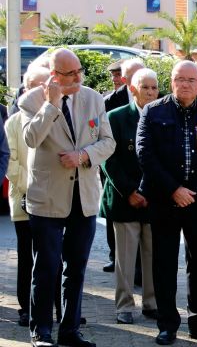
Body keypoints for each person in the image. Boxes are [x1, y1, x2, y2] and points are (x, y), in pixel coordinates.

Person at [19, 47, 115, 347]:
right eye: (70, 73)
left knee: (76, 268)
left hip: (83, 196)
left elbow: (108, 141)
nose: (78, 77)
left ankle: (70, 330)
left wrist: (84, 155)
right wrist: (51, 105)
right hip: (47, 198)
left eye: (79, 71)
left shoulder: (93, 98)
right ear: (54, 76)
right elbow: (31, 139)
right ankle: (41, 331)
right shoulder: (31, 100)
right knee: (47, 266)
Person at [136, 60, 197, 346]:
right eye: (180, 79)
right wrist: (174, 189)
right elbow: (145, 154)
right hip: (164, 200)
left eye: (191, 79)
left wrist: (194, 192)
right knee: (164, 265)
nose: (185, 84)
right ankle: (167, 325)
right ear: (172, 81)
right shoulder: (153, 112)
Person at [101, 68, 160, 325]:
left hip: (154, 198)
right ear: (132, 89)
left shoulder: (162, 116)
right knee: (125, 259)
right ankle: (124, 305)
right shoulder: (116, 117)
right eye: (144, 87)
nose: (149, 92)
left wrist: (151, 190)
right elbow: (108, 159)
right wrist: (130, 191)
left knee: (152, 255)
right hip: (125, 198)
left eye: (154, 87)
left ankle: (152, 303)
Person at [5, 67, 49, 328]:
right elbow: (10, 162)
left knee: (54, 254)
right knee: (27, 257)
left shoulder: (56, 115)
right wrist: (34, 187)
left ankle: (57, 305)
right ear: (25, 89)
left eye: (45, 84)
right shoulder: (14, 121)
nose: (42, 89)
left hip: (54, 201)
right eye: (36, 85)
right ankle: (26, 307)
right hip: (25, 198)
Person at [102, 58, 145, 273]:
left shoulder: (157, 100)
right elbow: (106, 149)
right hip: (120, 179)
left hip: (145, 183)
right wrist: (126, 187)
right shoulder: (109, 103)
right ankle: (114, 256)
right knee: (117, 223)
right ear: (126, 80)